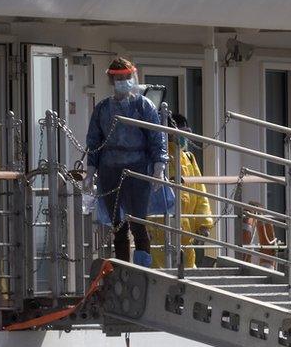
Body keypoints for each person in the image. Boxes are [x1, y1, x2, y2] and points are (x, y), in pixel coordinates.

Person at [84, 57, 168, 267]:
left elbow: (157, 139)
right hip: (109, 170)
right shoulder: (102, 109)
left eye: (126, 77)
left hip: (137, 168)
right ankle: (122, 268)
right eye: (118, 78)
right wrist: (90, 171)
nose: (123, 81)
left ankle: (142, 270)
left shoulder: (144, 106)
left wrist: (159, 168)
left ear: (133, 77)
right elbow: (94, 141)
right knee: (117, 225)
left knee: (138, 222)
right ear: (111, 81)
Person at [147, 114, 213, 269]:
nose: (183, 137)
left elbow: (200, 193)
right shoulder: (156, 160)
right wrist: (146, 225)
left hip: (186, 232)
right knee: (160, 274)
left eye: (186, 133)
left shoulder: (188, 158)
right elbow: (146, 194)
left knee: (189, 272)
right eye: (180, 132)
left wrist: (204, 223)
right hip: (159, 232)